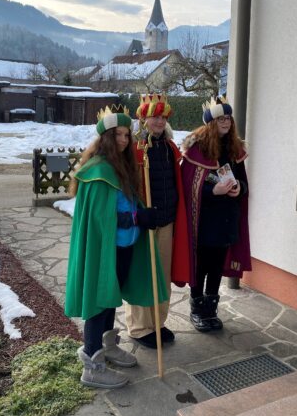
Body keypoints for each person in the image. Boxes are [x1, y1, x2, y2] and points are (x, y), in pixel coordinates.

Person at [65, 107, 168, 389]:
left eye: (126, 134)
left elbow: (126, 204)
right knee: (100, 303)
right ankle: (92, 363)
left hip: (122, 249)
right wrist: (136, 218)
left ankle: (107, 346)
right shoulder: (97, 171)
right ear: (106, 138)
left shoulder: (120, 167)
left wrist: (142, 213)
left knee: (110, 299)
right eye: (118, 135)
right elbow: (103, 219)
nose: (124, 140)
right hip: (104, 251)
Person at [125, 94, 191, 349]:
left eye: (163, 117)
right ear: (143, 118)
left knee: (162, 275)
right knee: (144, 275)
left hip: (167, 221)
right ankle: (140, 328)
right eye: (154, 116)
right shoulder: (134, 149)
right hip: (145, 223)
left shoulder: (170, 147)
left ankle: (158, 323)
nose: (159, 121)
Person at [181, 96, 251, 332]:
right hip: (203, 220)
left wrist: (239, 188)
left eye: (228, 118)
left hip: (227, 219)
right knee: (201, 265)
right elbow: (190, 185)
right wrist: (213, 191)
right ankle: (196, 310)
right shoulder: (197, 149)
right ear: (211, 123)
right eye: (221, 118)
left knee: (217, 267)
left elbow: (244, 183)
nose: (226, 122)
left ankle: (210, 310)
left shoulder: (234, 150)